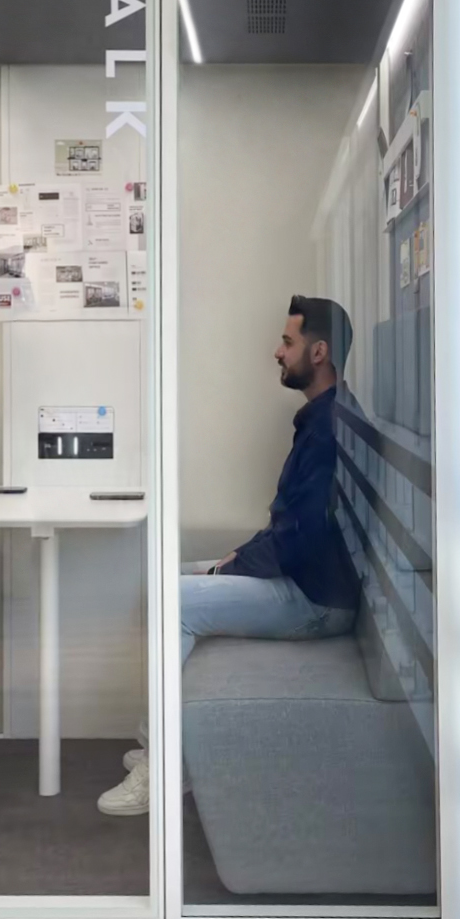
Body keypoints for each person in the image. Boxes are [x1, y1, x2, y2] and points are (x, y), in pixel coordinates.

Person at [98, 295, 360, 816]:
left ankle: (166, 766)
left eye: (287, 342)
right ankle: (161, 746)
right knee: (164, 580)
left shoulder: (327, 429)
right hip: (301, 580)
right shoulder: (320, 418)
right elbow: (290, 523)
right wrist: (239, 555)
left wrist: (233, 566)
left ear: (319, 353)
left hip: (315, 600)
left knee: (172, 602)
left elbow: (304, 539)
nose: (277, 352)